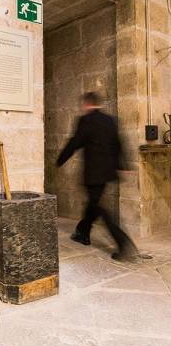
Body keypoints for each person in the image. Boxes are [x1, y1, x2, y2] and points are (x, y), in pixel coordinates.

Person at [56, 92, 138, 260]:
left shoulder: (86, 120)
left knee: (99, 207)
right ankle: (83, 232)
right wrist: (123, 165)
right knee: (93, 203)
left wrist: (60, 160)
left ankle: (124, 244)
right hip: (107, 172)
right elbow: (119, 143)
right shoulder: (110, 120)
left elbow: (75, 142)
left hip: (93, 173)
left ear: (87, 104)